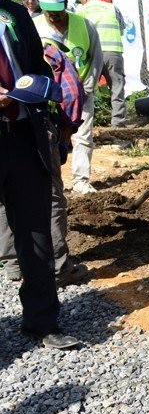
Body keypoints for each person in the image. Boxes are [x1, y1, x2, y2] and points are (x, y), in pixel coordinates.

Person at [0, 0, 80, 349]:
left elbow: (38, 66)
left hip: (21, 136)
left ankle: (42, 321)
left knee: (35, 233)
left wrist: (32, 88)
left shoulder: (13, 14)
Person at [0, 42, 90, 287]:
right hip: (32, 128)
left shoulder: (15, 36)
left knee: (5, 197)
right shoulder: (50, 53)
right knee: (50, 197)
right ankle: (59, 267)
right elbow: (70, 93)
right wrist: (65, 133)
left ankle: (14, 264)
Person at [33, 0, 103, 195]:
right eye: (48, 11)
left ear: (65, 5)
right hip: (47, 94)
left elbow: (96, 58)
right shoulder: (34, 26)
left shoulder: (84, 25)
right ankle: (51, 182)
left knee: (83, 134)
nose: (53, 15)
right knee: (49, 137)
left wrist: (87, 87)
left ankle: (81, 180)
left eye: (57, 10)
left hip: (81, 91)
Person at [75, 0, 128, 127]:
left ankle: (87, 122)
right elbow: (122, 29)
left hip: (91, 53)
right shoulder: (112, 8)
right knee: (117, 86)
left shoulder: (80, 10)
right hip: (113, 51)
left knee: (87, 87)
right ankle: (118, 122)